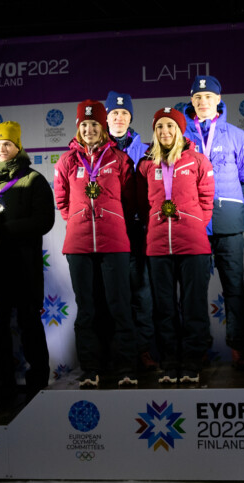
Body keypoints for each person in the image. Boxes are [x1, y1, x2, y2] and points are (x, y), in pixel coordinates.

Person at [53, 100, 137, 388]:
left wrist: (110, 220)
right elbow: (62, 202)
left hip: (114, 242)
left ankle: (125, 367)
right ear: (79, 127)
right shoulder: (67, 161)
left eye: (95, 125)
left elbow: (129, 201)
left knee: (119, 306)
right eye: (85, 124)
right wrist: (80, 221)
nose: (89, 129)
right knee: (87, 309)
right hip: (79, 245)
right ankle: (91, 368)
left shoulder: (119, 159)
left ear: (103, 128)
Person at [182, 75, 244, 370]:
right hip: (193, 224)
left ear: (219, 100)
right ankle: (198, 348)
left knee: (234, 287)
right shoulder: (180, 135)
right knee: (195, 291)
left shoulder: (236, 135)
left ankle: (238, 348)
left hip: (229, 224)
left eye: (209, 97)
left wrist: (230, 206)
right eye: (198, 97)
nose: (203, 102)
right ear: (192, 101)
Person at [137, 107, 215, 384]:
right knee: (164, 308)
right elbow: (142, 203)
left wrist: (193, 225)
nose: (165, 131)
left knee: (193, 305)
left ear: (180, 130)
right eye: (160, 127)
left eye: (170, 126)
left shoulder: (197, 160)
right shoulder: (146, 164)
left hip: (192, 245)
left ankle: (193, 360)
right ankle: (170, 361)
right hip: (158, 246)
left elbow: (207, 201)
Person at [0, 121, 55, 396]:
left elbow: (44, 220)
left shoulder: (34, 179)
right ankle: (4, 384)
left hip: (25, 266)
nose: (2, 149)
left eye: (7, 144)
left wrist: (4, 230)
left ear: (18, 147)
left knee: (29, 325)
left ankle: (39, 381)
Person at [105, 91, 157, 371]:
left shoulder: (148, 151)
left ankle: (143, 349)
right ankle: (118, 352)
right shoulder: (97, 151)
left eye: (124, 113)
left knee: (142, 293)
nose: (119, 118)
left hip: (138, 231)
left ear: (131, 118)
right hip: (107, 232)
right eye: (114, 113)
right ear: (106, 117)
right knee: (112, 295)